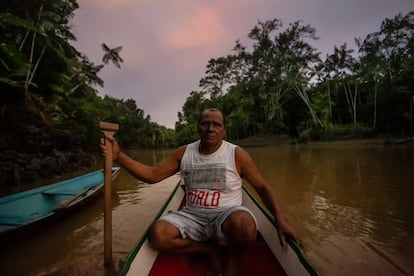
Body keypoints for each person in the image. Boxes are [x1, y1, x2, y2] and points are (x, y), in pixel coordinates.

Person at [100, 108, 302, 275]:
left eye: (216, 125)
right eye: (205, 123)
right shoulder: (184, 153)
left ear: (224, 130)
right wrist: (118, 156)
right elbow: (153, 175)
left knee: (244, 225)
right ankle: (207, 249)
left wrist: (280, 222)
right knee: (157, 235)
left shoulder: (236, 154)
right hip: (192, 215)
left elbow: (262, 187)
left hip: (226, 214)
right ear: (198, 127)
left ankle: (235, 262)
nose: (210, 129)